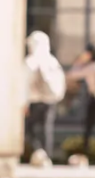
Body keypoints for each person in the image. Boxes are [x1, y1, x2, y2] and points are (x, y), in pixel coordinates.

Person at [22, 31, 65, 166]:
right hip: (50, 100)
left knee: (28, 129)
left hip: (34, 100)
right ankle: (46, 156)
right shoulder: (52, 60)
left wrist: (23, 102)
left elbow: (23, 83)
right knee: (47, 128)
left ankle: (39, 152)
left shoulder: (30, 61)